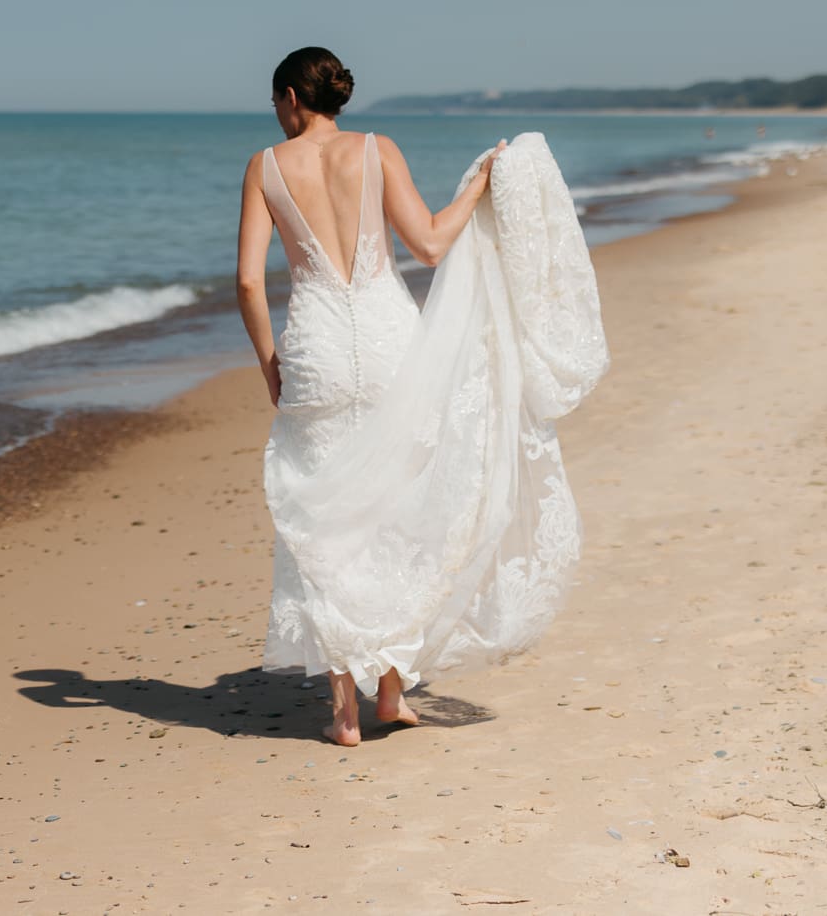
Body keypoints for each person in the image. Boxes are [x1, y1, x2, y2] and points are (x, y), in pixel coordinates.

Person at [235, 46, 605, 746]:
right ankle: (391, 691)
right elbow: (432, 244)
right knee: (396, 507)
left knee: (327, 515)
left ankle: (341, 708)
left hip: (314, 339)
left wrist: (268, 363)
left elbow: (251, 283)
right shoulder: (376, 150)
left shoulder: (265, 166)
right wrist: (479, 186)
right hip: (384, 339)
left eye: (277, 103)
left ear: (290, 97)